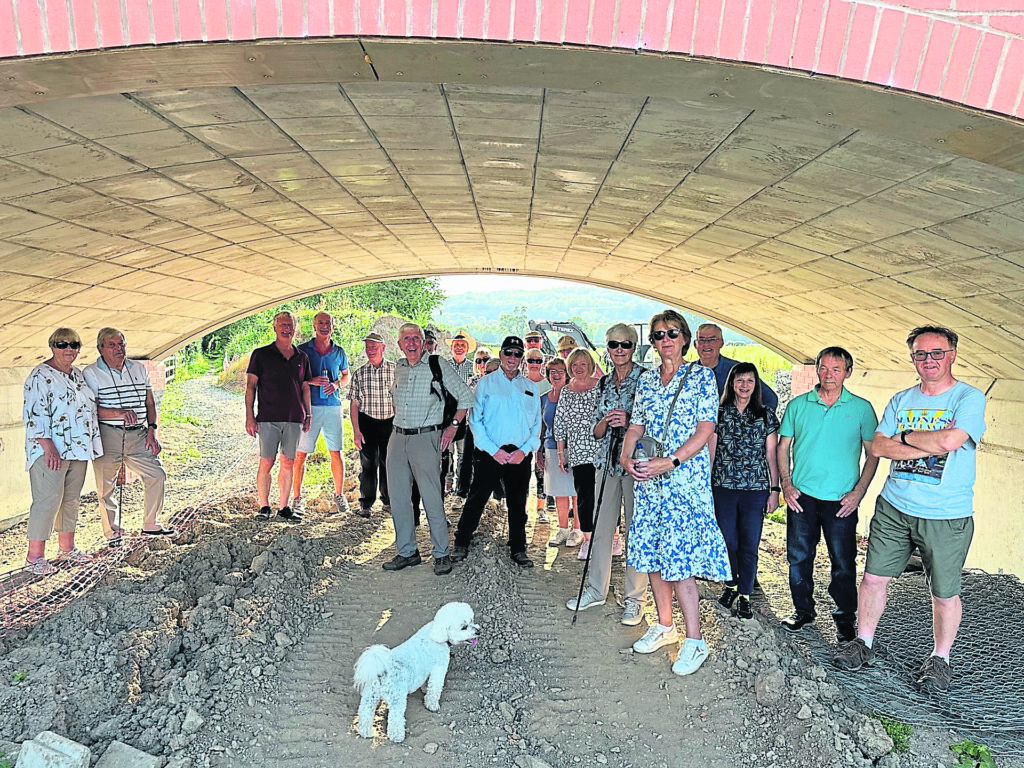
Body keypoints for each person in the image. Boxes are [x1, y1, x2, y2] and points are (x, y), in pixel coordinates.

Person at [834, 326, 986, 694]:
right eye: (921, 354)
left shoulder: (968, 397)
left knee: (944, 592)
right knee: (872, 579)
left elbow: (953, 440)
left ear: (952, 354)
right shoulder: (902, 400)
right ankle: (864, 644)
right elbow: (880, 448)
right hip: (895, 507)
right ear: (912, 358)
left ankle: (940, 659)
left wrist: (905, 439)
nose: (928, 361)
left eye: (936, 353)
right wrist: (925, 444)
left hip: (946, 514)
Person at [620, 309, 730, 677]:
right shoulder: (648, 381)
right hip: (650, 481)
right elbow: (636, 426)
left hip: (682, 481)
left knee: (679, 559)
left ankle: (695, 640)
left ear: (684, 338)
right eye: (657, 335)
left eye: (671, 333)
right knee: (653, 555)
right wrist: (625, 455)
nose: (664, 340)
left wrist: (672, 462)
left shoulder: (701, 377)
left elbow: (704, 430)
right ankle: (665, 626)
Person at [777, 346, 879, 642]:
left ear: (848, 372)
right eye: (823, 368)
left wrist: (858, 492)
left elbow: (873, 454)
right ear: (817, 369)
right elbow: (783, 446)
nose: (828, 374)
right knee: (798, 558)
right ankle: (803, 611)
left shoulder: (861, 408)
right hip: (802, 496)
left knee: (844, 562)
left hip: (841, 500)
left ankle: (846, 619)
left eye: (836, 369)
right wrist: (786, 483)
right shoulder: (798, 405)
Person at [566, 323, 649, 626]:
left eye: (625, 344)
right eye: (613, 344)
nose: (619, 350)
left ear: (633, 347)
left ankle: (635, 600)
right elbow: (596, 431)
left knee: (635, 531)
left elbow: (652, 426)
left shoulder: (646, 380)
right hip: (606, 462)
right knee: (602, 529)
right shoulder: (603, 383)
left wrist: (629, 422)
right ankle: (595, 589)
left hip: (637, 465)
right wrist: (606, 422)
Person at [383, 323, 473, 576]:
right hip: (398, 437)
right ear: (400, 345)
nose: (411, 343)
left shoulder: (437, 364)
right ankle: (407, 552)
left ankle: (442, 554)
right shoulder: (399, 367)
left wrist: (452, 427)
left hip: (426, 438)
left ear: (423, 343)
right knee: (399, 499)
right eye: (406, 339)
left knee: (431, 497)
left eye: (416, 338)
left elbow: (466, 398)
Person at [452, 336, 542, 568]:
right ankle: (461, 541)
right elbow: (475, 421)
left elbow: (536, 425)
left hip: (520, 454)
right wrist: (493, 450)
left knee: (518, 502)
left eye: (517, 354)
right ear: (501, 355)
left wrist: (525, 450)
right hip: (490, 452)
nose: (513, 358)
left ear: (522, 358)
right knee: (477, 498)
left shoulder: (530, 387)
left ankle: (518, 547)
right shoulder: (486, 384)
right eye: (508, 353)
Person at [23, 328, 102, 574]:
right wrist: (49, 448)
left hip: (78, 449)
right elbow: (34, 416)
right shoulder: (39, 375)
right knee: (47, 501)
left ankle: (67, 550)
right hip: (51, 450)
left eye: (74, 344)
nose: (69, 349)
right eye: (62, 344)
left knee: (70, 500)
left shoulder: (77, 375)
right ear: (52, 346)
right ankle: (35, 557)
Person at [84, 327, 173, 539]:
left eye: (121, 344)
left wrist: (152, 429)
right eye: (112, 345)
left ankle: (151, 523)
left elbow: (149, 401)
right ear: (100, 348)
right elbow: (89, 409)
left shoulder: (139, 368)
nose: (119, 349)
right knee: (106, 488)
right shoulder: (90, 373)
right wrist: (118, 413)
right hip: (107, 434)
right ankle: (112, 533)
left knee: (156, 474)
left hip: (139, 433)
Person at [710, 362, 781, 620]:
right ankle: (730, 584)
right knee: (728, 540)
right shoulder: (718, 413)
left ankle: (745, 595)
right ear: (731, 383)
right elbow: (712, 451)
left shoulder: (765, 415)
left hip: (755, 488)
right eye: (739, 380)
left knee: (749, 542)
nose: (744, 385)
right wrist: (706, 484)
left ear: (756, 384)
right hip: (724, 486)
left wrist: (775, 489)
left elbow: (771, 454)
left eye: (750, 380)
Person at [244, 311, 312, 522]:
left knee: (288, 462)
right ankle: (264, 506)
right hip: (267, 418)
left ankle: (284, 507)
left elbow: (305, 388)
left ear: (295, 328)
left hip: (294, 418)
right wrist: (249, 417)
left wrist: (308, 414)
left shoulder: (302, 357)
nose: (286, 328)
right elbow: (250, 387)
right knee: (267, 461)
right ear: (274, 328)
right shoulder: (261, 354)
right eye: (282, 324)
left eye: (290, 325)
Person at [292, 312, 350, 517]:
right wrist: (311, 381)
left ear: (333, 326)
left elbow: (346, 376)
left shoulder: (339, 351)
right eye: (320, 323)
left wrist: (335, 385)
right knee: (301, 454)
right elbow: (294, 379)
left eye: (328, 323)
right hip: (310, 408)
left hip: (333, 407)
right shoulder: (302, 351)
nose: (324, 326)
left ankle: (339, 495)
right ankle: (297, 499)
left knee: (336, 452)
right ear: (314, 326)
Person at [554, 348, 601, 560]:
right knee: (584, 497)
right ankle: (588, 540)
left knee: (604, 496)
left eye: (583, 364)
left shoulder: (601, 386)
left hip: (601, 451)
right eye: (574, 365)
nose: (578, 368)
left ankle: (614, 539)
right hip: (578, 453)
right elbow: (560, 423)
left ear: (590, 365)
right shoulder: (566, 391)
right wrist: (561, 453)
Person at [349, 331, 396, 518]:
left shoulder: (395, 370)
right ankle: (366, 504)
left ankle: (388, 501)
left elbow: (399, 399)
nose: (370, 350)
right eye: (368, 347)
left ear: (383, 348)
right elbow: (354, 404)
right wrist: (356, 431)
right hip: (367, 422)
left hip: (390, 422)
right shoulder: (359, 373)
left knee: (388, 463)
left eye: (374, 347)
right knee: (368, 465)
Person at [694, 323, 778, 413]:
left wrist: (755, 422)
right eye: (702, 340)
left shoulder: (736, 370)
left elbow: (770, 398)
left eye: (712, 340)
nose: (706, 344)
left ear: (721, 343)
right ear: (695, 344)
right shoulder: (687, 372)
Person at [540, 357, 578, 546]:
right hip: (551, 448)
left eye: (560, 371)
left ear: (567, 374)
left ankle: (577, 530)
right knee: (559, 492)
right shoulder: (544, 399)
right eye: (552, 371)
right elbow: (540, 426)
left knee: (575, 491)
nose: (556, 375)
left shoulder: (574, 395)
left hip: (574, 449)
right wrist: (539, 451)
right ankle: (563, 529)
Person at [524, 349, 552, 521]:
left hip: (543, 433)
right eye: (531, 360)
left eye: (538, 360)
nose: (534, 364)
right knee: (523, 472)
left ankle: (541, 508)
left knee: (541, 471)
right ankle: (523, 508)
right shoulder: (519, 383)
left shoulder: (548, 385)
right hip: (523, 434)